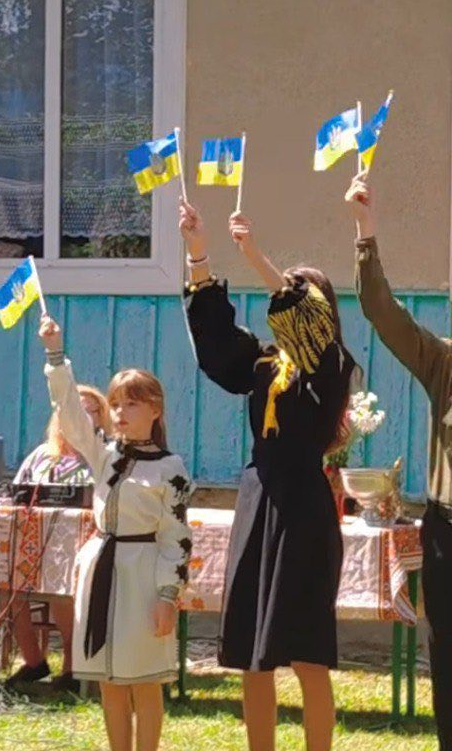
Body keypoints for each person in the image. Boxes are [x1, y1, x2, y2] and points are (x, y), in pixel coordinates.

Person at [179, 199, 356, 751]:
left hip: (304, 508)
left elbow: (307, 319)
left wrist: (254, 253)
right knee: (252, 652)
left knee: (306, 654)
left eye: (298, 291)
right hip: (259, 499)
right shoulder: (263, 364)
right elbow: (215, 343)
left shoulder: (332, 365)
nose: (284, 296)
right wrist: (199, 254)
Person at [38, 316, 193, 751]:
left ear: (155, 410)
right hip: (103, 570)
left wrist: (167, 596)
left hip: (143, 578)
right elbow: (70, 414)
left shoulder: (170, 469)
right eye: (117, 404)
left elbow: (176, 537)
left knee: (143, 679)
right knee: (109, 678)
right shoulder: (103, 454)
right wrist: (55, 355)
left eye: (133, 405)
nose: (121, 413)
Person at [346, 172, 452, 749]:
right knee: (448, 656)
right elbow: (382, 312)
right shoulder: (443, 362)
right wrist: (366, 229)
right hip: (447, 532)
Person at [5, 384, 111, 693]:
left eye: (88, 411)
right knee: (7, 583)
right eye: (71, 410)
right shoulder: (42, 455)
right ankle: (34, 661)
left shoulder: (104, 455)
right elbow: (17, 493)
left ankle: (71, 665)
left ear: (100, 417)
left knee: (60, 583)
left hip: (85, 548)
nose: (79, 417)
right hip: (36, 544)